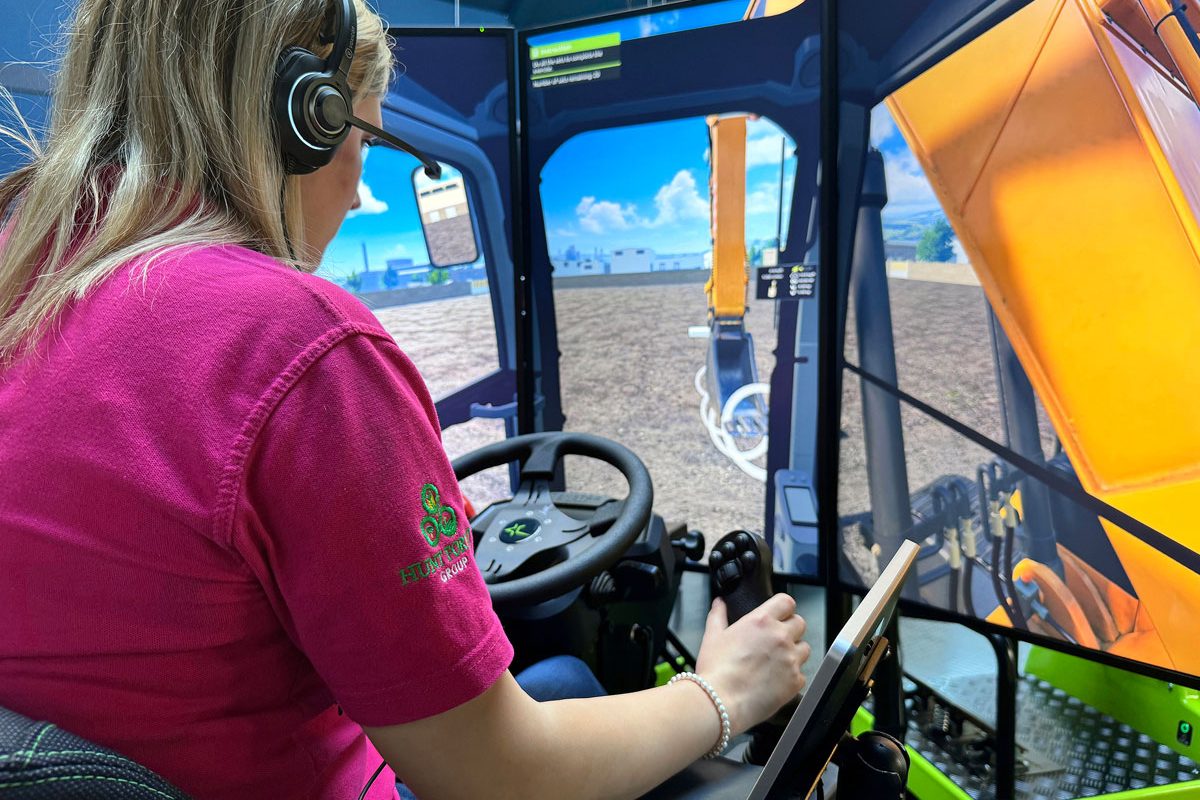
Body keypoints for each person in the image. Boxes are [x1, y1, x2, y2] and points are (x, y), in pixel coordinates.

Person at [0, 1, 811, 798]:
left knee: (559, 674)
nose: (357, 194)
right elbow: (503, 776)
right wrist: (726, 693)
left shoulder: (20, 274)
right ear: (303, 116)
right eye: (367, 136)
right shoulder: (295, 346)